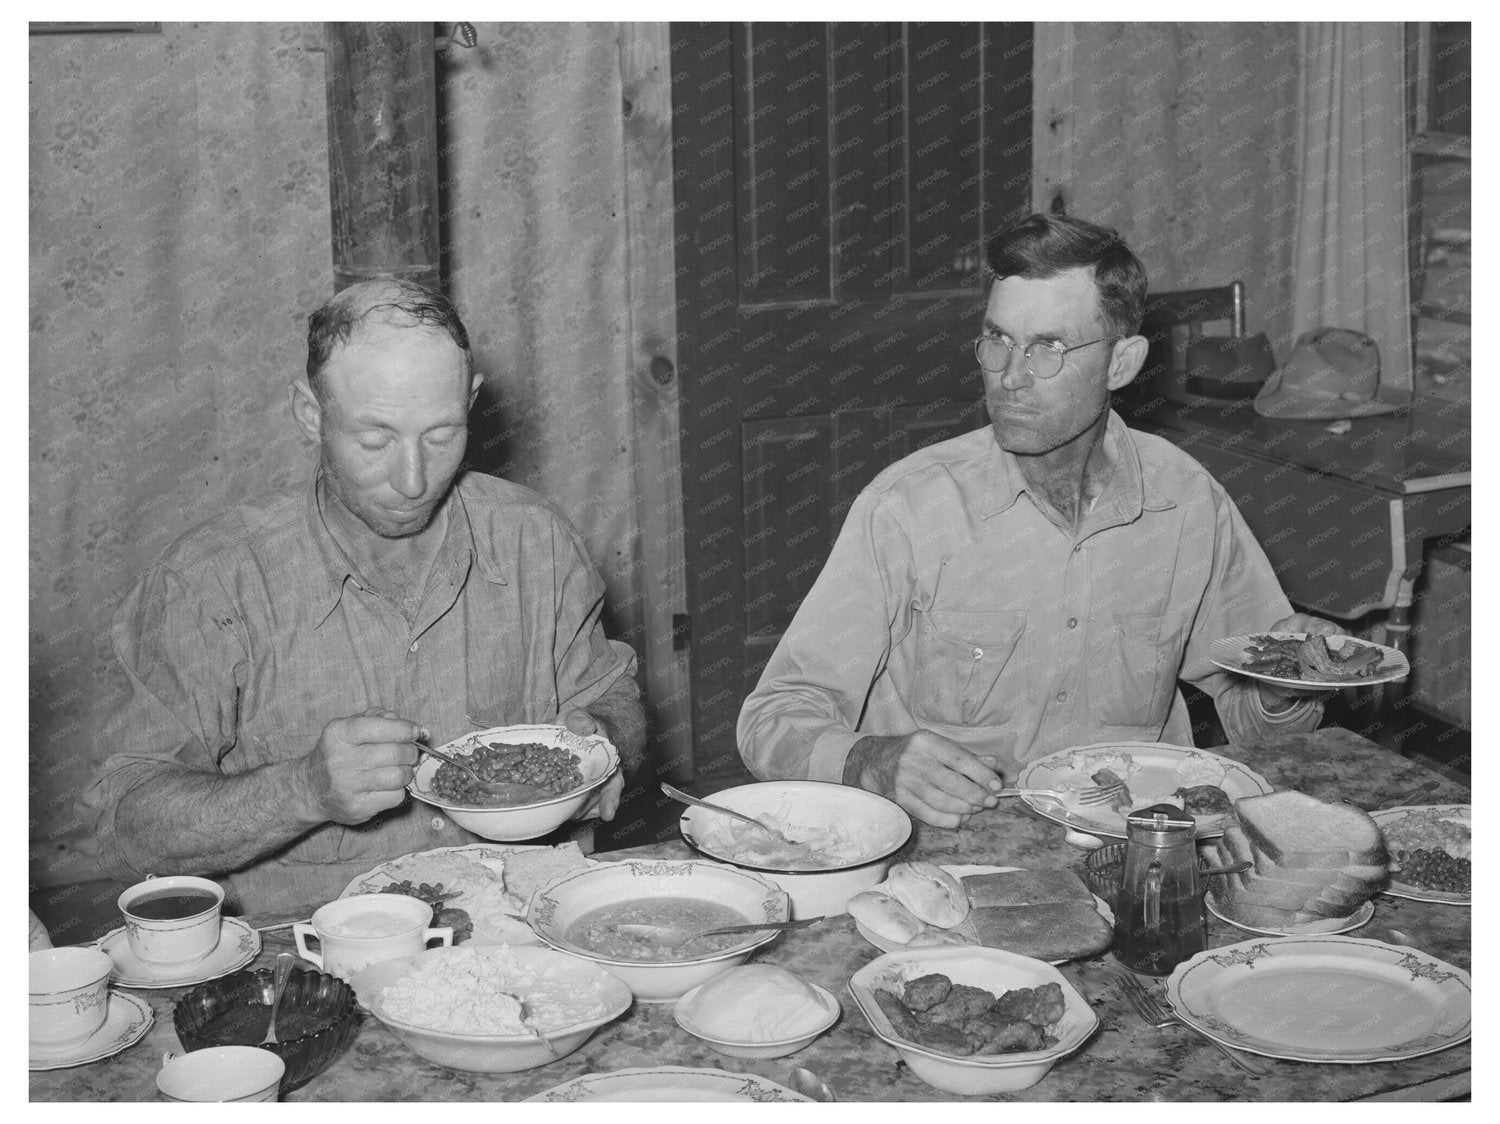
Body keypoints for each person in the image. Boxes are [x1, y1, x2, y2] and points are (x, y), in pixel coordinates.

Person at [737, 213, 1338, 829]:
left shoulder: (1186, 504)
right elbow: (774, 716)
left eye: (1048, 347)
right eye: (997, 340)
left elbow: (1248, 713)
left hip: (1139, 848)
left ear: (1121, 363)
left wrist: (1283, 690)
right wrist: (868, 759)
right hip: (959, 850)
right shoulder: (910, 507)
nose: (1010, 376)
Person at [82, 279, 645, 912]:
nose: (413, 480)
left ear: (472, 402)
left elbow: (608, 693)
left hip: (527, 925)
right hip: (311, 959)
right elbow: (128, 830)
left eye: (441, 435)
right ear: (311, 415)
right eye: (375, 441)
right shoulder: (211, 581)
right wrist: (303, 789)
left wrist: (604, 744)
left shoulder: (535, 540)